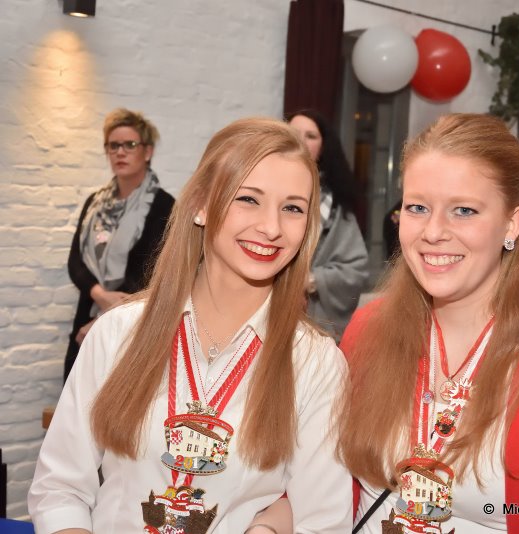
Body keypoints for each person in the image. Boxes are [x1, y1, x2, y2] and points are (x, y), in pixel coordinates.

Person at [29, 119, 352, 533]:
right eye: (248, 199)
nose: (271, 228)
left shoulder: (315, 363)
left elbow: (321, 522)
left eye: (292, 208)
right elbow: (60, 489)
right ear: (200, 205)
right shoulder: (118, 333)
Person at [337, 114, 519, 533]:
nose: (433, 232)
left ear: (511, 224)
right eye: (417, 208)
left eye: (464, 210)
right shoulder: (369, 329)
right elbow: (325, 489)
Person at [64, 108, 175, 382]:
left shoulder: (164, 206)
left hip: (131, 325)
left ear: (147, 151)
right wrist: (100, 295)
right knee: (75, 399)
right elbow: (76, 261)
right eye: (113, 146)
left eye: (130, 145)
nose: (120, 152)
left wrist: (104, 318)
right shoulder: (94, 204)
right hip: (86, 319)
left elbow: (153, 273)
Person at [287, 111, 369, 340]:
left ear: (323, 147)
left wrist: (311, 280)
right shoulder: (262, 188)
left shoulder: (334, 207)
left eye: (311, 136)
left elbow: (355, 269)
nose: (301, 141)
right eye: (294, 133)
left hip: (310, 325)